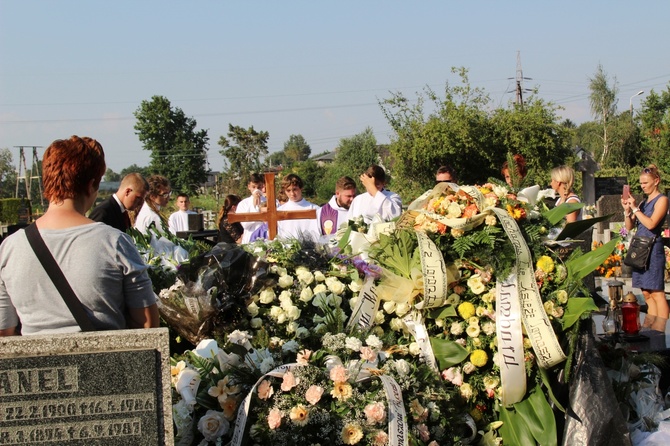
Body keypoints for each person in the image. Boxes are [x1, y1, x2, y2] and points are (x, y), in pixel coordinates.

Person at [0, 135, 159, 336]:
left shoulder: (10, 248)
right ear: (91, 184)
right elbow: (148, 328)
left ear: (47, 181)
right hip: (107, 363)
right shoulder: (115, 243)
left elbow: (4, 335)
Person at [622, 164, 669, 331]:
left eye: (645, 182)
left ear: (656, 181)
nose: (642, 186)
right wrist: (628, 211)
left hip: (652, 250)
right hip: (640, 250)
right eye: (640, 183)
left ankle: (661, 330)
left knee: (657, 292)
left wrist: (635, 208)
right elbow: (629, 226)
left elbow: (651, 223)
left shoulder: (662, 200)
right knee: (646, 293)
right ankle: (651, 327)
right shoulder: (643, 202)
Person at [276, 174, 320, 241]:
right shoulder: (279, 211)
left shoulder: (315, 209)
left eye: (295, 189)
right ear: (284, 191)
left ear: (301, 188)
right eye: (288, 190)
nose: (292, 194)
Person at [237, 173, 266, 244]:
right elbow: (245, 224)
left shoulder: (270, 201)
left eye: (259, 187)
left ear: (262, 186)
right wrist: (254, 206)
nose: (256, 190)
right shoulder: (243, 204)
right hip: (250, 236)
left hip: (265, 236)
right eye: (254, 187)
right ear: (249, 187)